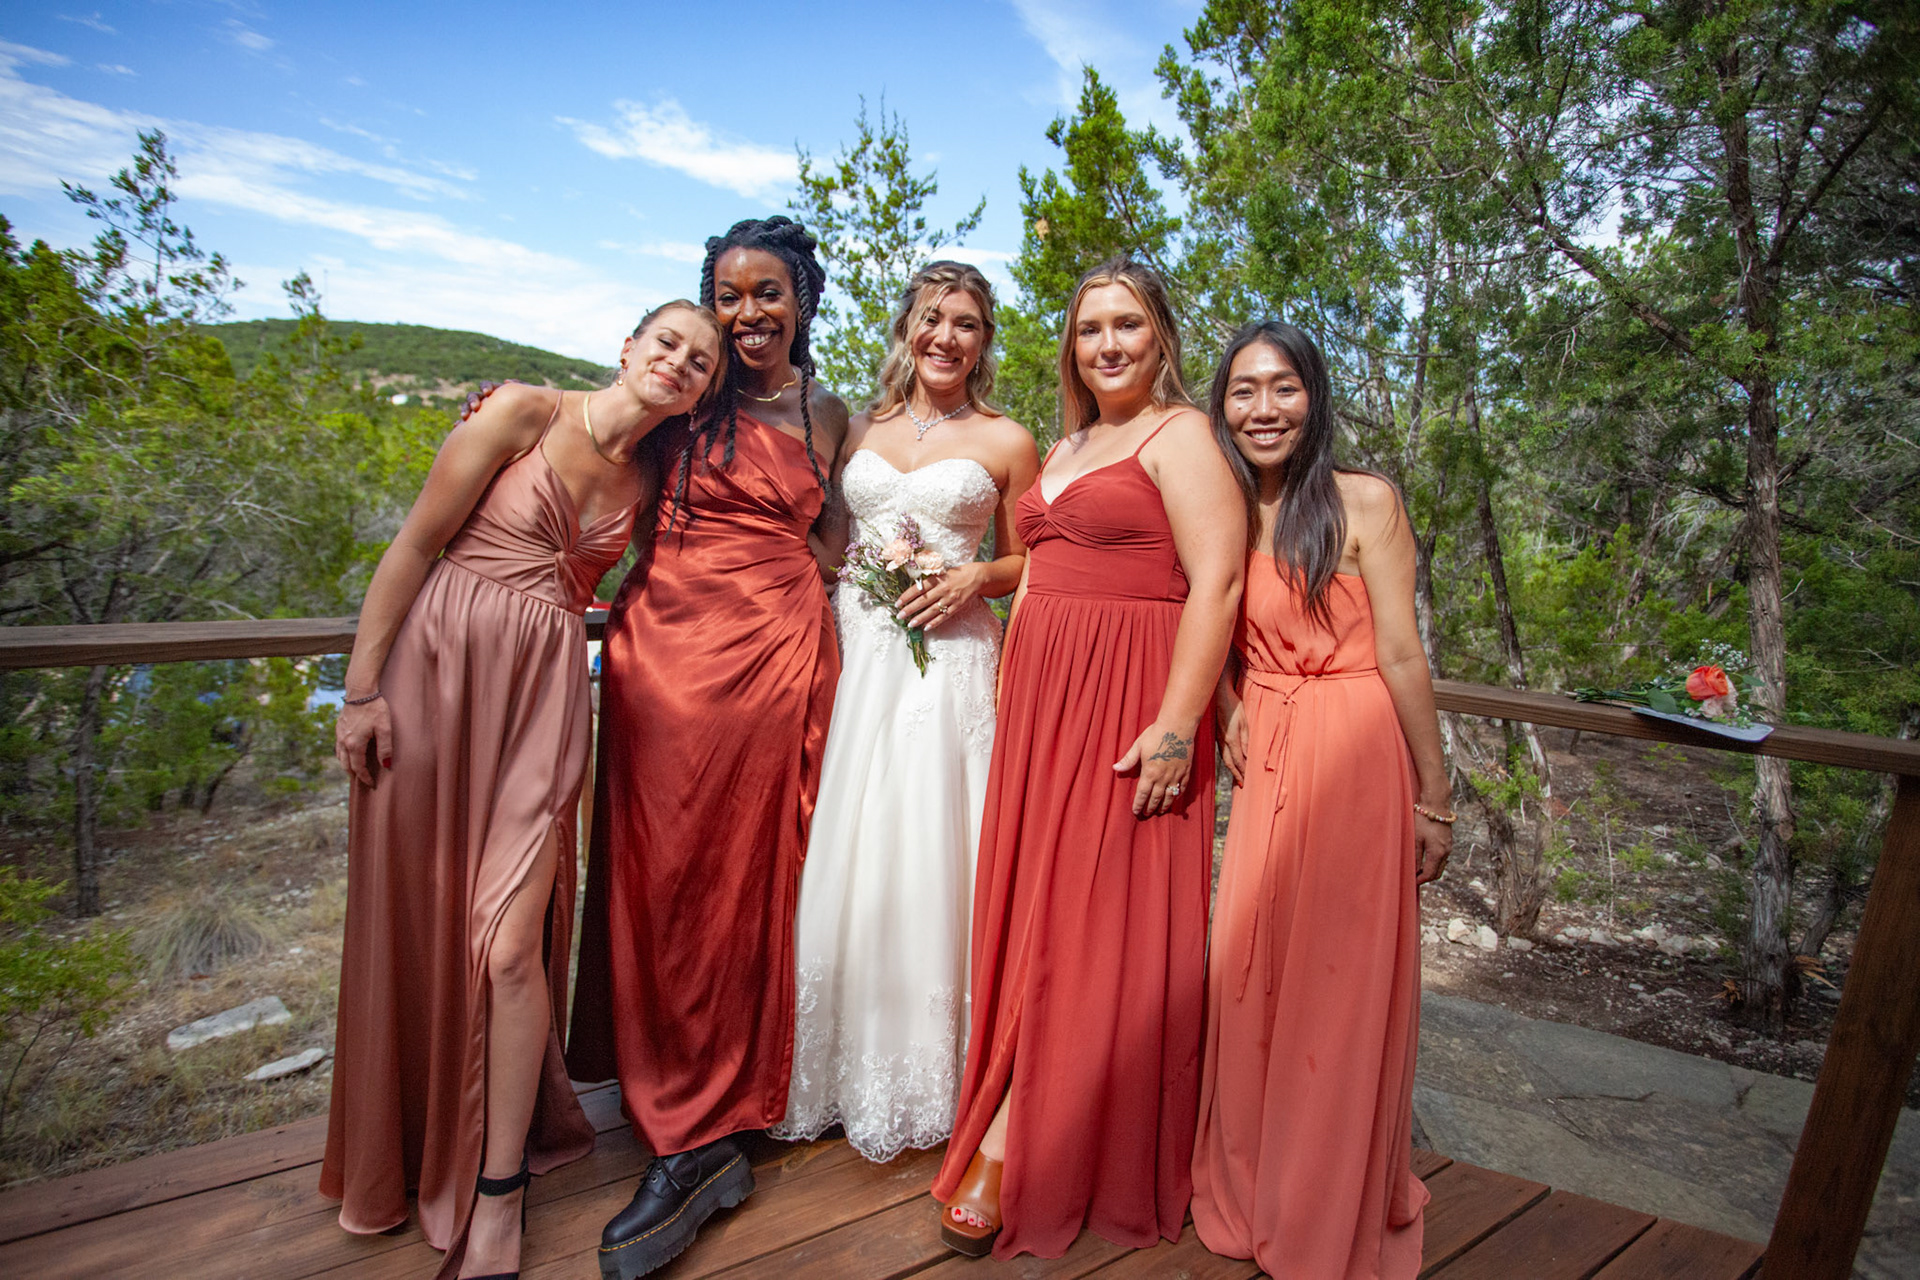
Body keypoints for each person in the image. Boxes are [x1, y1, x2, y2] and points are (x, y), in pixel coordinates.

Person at [321, 302, 725, 1280]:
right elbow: (414, 546)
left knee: (509, 941)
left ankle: (499, 1190)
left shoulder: (655, 479)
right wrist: (362, 692)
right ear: (628, 348)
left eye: (701, 362)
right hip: (434, 681)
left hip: (542, 701)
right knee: (416, 913)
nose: (680, 363)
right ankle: (409, 1144)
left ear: (704, 392)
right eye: (668, 342)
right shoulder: (519, 412)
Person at [931, 257, 1245, 1259]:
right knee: (1035, 901)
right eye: (1090, 327)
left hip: (1127, 695)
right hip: (1043, 705)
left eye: (1128, 324)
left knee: (1089, 913)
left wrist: (1177, 722)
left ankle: (1022, 1136)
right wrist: (1011, 676)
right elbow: (1037, 568)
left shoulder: (1183, 434)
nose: (1107, 343)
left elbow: (1218, 582)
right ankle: (1013, 1097)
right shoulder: (1069, 441)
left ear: (1162, 338)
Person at [565, 217, 850, 1280]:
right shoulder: (690, 393)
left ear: (802, 299)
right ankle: (670, 1090)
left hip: (775, 655)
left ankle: (712, 1121)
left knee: (746, 874)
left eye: (767, 292)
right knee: (661, 872)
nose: (746, 314)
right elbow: (591, 434)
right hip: (662, 654)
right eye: (728, 295)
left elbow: (834, 540)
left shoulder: (829, 414)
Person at [1190, 320, 1452, 1278]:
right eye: (1244, 390)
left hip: (1356, 752)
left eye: (1284, 388)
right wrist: (1229, 706)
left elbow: (1403, 655)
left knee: (1338, 985)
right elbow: (1205, 625)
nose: (1263, 409)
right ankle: (1256, 1180)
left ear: (1315, 397)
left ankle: (1322, 1200)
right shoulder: (1220, 508)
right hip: (1268, 755)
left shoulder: (1364, 502)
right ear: (1222, 405)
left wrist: (1436, 795)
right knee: (1250, 967)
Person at [769, 261, 1040, 1162]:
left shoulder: (1008, 440)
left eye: (966, 323)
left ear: (984, 341)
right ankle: (834, 1066)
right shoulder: (859, 428)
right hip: (860, 654)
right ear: (907, 328)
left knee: (932, 840)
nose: (945, 337)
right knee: (854, 841)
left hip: (952, 661)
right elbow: (826, 539)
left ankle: (936, 1073)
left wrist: (978, 575)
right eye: (932, 318)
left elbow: (1036, 561)